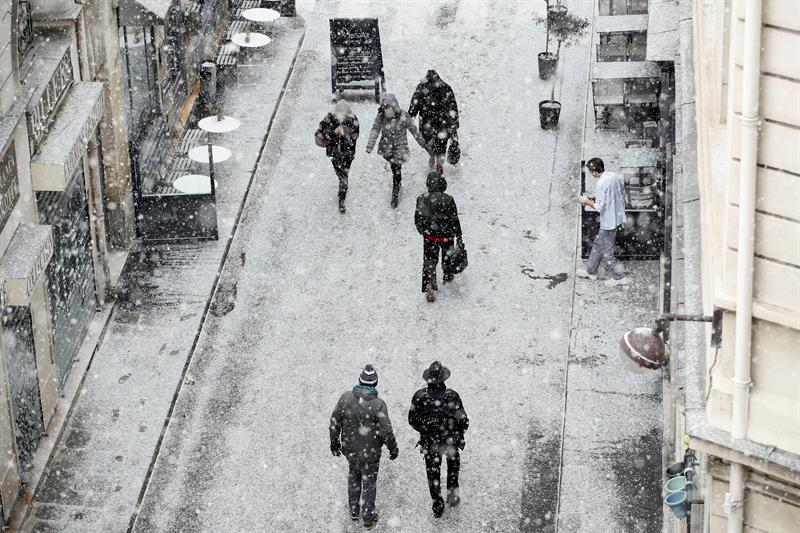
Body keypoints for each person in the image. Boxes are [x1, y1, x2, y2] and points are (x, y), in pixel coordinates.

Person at [330, 364, 399, 529]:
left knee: (354, 475)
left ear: (359, 381)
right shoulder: (379, 404)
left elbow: (334, 421)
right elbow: (386, 431)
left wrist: (334, 442)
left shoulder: (346, 398)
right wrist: (393, 447)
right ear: (375, 384)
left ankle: (354, 510)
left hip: (350, 449)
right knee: (369, 482)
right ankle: (368, 517)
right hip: (371, 452)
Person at [408, 361, 469, 518]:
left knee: (433, 473)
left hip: (430, 442)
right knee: (453, 469)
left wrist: (427, 428)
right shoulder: (452, 396)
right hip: (450, 441)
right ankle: (452, 496)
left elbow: (412, 420)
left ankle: (437, 504)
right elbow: (463, 420)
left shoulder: (419, 397)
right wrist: (457, 431)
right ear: (443, 379)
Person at [366, 93, 430, 208]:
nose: (386, 110)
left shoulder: (404, 116)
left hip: (400, 148)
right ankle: (397, 185)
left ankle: (395, 193)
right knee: (394, 168)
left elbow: (414, 131)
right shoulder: (381, 116)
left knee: (396, 170)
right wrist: (370, 145)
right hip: (388, 148)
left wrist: (423, 144)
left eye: (388, 107)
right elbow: (375, 129)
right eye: (384, 108)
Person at [577, 157, 629, 286]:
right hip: (616, 215)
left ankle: (619, 277)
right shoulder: (614, 176)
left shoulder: (600, 183)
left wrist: (585, 201)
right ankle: (591, 270)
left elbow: (599, 207)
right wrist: (596, 197)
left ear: (594, 172)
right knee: (598, 245)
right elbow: (615, 193)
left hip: (608, 222)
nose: (591, 174)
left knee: (607, 251)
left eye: (590, 172)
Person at [414, 171, 462, 303]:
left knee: (429, 262)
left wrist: (425, 232)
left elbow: (418, 219)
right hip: (447, 237)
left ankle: (429, 287)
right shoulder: (448, 199)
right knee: (447, 258)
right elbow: (454, 219)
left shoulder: (421, 198)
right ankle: (447, 275)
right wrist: (458, 234)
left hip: (430, 237)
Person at [408, 70, 459, 169]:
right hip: (427, 121)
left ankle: (439, 164)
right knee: (428, 142)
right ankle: (432, 154)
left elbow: (453, 107)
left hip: (442, 122)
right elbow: (415, 102)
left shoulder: (446, 89)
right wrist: (410, 116)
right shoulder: (422, 88)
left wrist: (454, 123)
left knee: (441, 143)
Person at [318, 100, 359, 213]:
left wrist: (345, 134)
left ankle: (342, 199)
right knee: (339, 173)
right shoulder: (330, 119)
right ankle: (342, 184)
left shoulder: (353, 120)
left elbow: (354, 137)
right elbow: (324, 134)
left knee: (343, 175)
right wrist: (334, 132)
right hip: (334, 153)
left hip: (347, 154)